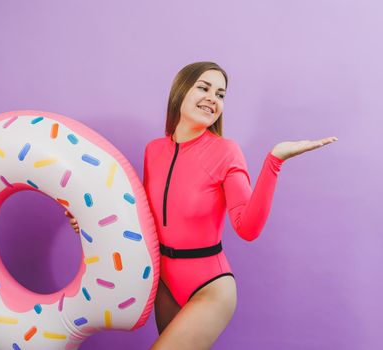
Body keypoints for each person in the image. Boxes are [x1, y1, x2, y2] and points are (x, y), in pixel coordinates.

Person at [65, 61, 338, 349]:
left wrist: (274, 161)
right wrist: (87, 220)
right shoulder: (153, 150)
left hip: (210, 287)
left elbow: (247, 228)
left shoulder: (225, 151)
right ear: (181, 91)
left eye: (220, 95)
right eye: (204, 88)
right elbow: (143, 220)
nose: (213, 98)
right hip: (164, 285)